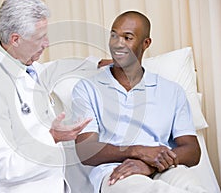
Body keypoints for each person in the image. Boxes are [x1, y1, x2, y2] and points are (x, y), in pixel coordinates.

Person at [0, 0, 105, 192]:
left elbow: (58, 68)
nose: (46, 43)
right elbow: (2, 167)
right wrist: (53, 138)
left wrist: (97, 63)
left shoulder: (26, 67)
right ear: (16, 39)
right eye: (40, 38)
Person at [72, 11, 207, 193]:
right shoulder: (87, 88)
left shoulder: (171, 91)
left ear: (146, 43)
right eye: (114, 35)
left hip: (164, 167)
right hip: (116, 172)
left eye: (128, 38)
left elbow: (192, 150)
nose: (118, 44)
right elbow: (85, 150)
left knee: (194, 187)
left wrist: (151, 164)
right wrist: (137, 151)